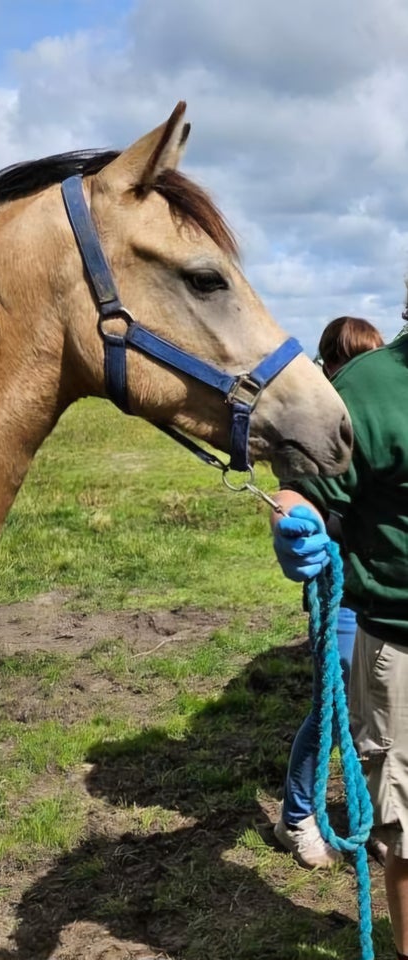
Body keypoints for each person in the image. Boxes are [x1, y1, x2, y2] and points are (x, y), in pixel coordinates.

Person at [270, 326, 408, 960]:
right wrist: (293, 516)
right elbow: (308, 486)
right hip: (385, 628)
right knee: (403, 822)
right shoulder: (368, 389)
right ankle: (299, 814)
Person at [274, 317, 384, 869]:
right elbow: (293, 491)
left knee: (378, 712)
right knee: (335, 705)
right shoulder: (318, 423)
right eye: (346, 361)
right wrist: (297, 519)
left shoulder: (376, 411)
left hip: (380, 590)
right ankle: (296, 815)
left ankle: (381, 812)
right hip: (337, 587)